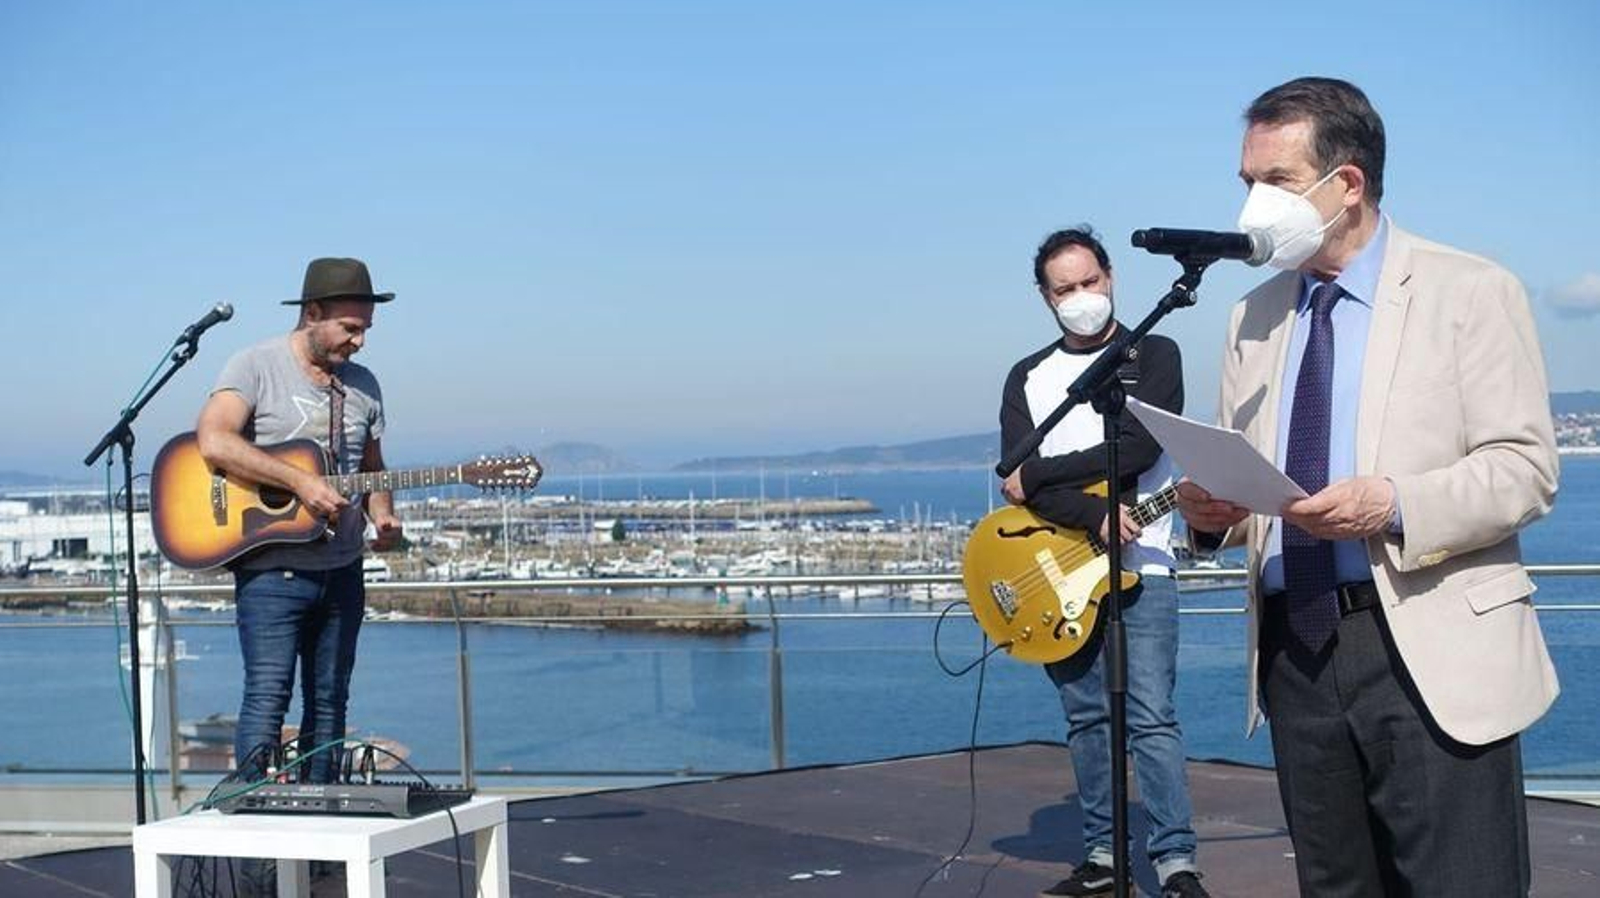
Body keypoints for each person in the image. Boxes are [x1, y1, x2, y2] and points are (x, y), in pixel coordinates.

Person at [1175, 77, 1559, 896]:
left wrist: (1396, 503)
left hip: (1424, 639)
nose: (1251, 205)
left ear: (1345, 184)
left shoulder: (1469, 291)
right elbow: (1254, 486)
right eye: (1245, 183)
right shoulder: (1253, 317)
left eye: (1273, 183)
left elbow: (1526, 469)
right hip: (1296, 650)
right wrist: (1212, 517)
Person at [1001, 228, 1209, 898]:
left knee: (1152, 716)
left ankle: (1176, 862)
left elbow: (1141, 446)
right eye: (1065, 289)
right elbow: (1013, 478)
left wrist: (1043, 476)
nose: (1081, 298)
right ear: (1045, 297)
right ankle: (1102, 854)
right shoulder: (1028, 379)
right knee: (1086, 718)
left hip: (1143, 567)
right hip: (1061, 567)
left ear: (1112, 276)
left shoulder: (1155, 353)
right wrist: (1086, 511)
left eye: (1090, 282)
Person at [195, 257, 403, 785]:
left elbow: (372, 469)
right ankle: (258, 846)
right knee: (267, 698)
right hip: (273, 572)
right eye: (349, 329)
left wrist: (385, 517)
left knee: (331, 700)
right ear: (312, 313)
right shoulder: (254, 366)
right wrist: (299, 483)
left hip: (342, 569)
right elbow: (214, 440)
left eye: (365, 331)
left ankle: (321, 832)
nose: (359, 342)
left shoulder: (365, 386)